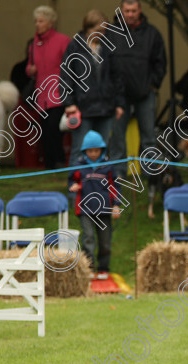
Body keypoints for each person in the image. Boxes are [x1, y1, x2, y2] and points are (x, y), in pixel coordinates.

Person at [108, 0, 166, 180]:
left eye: (134, 11)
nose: (130, 14)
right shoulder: (111, 33)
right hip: (119, 96)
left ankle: (150, 176)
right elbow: (105, 62)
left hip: (145, 94)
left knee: (149, 136)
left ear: (140, 10)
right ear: (121, 11)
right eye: (127, 11)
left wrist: (153, 84)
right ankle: (118, 175)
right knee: (117, 137)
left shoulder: (152, 33)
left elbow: (161, 62)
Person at [62, 9, 125, 163]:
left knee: (102, 151)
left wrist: (119, 103)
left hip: (106, 108)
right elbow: (66, 77)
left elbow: (117, 77)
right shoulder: (74, 47)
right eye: (99, 30)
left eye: (104, 31)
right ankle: (75, 184)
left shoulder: (108, 48)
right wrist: (69, 103)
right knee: (79, 149)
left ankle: (100, 184)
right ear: (88, 28)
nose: (102, 34)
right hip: (83, 109)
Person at [68, 131, 121, 279]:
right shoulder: (79, 166)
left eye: (96, 150)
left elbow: (115, 187)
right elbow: (72, 181)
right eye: (90, 151)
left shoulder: (108, 166)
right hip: (85, 209)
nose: (93, 154)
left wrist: (116, 205)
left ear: (101, 150)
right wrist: (73, 186)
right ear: (85, 151)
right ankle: (89, 268)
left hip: (104, 209)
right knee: (88, 238)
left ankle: (104, 268)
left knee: (105, 241)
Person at [27, 5, 70, 170]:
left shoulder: (63, 40)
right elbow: (29, 65)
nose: (37, 24)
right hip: (41, 93)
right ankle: (50, 164)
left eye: (41, 21)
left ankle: (59, 160)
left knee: (54, 127)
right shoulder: (34, 44)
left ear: (50, 23)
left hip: (58, 92)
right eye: (36, 21)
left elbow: (70, 65)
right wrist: (29, 69)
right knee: (44, 130)